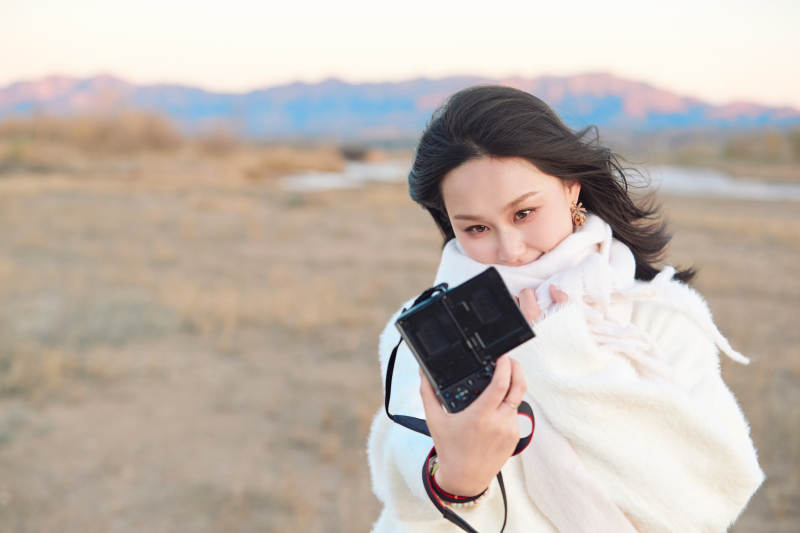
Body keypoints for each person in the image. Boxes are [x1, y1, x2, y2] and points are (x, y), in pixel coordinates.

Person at [367, 85, 764, 532]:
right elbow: (402, 481)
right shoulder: (429, 330)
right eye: (476, 228)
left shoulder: (660, 316)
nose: (510, 250)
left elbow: (710, 492)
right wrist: (459, 480)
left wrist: (560, 356)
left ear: (571, 189)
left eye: (524, 213)